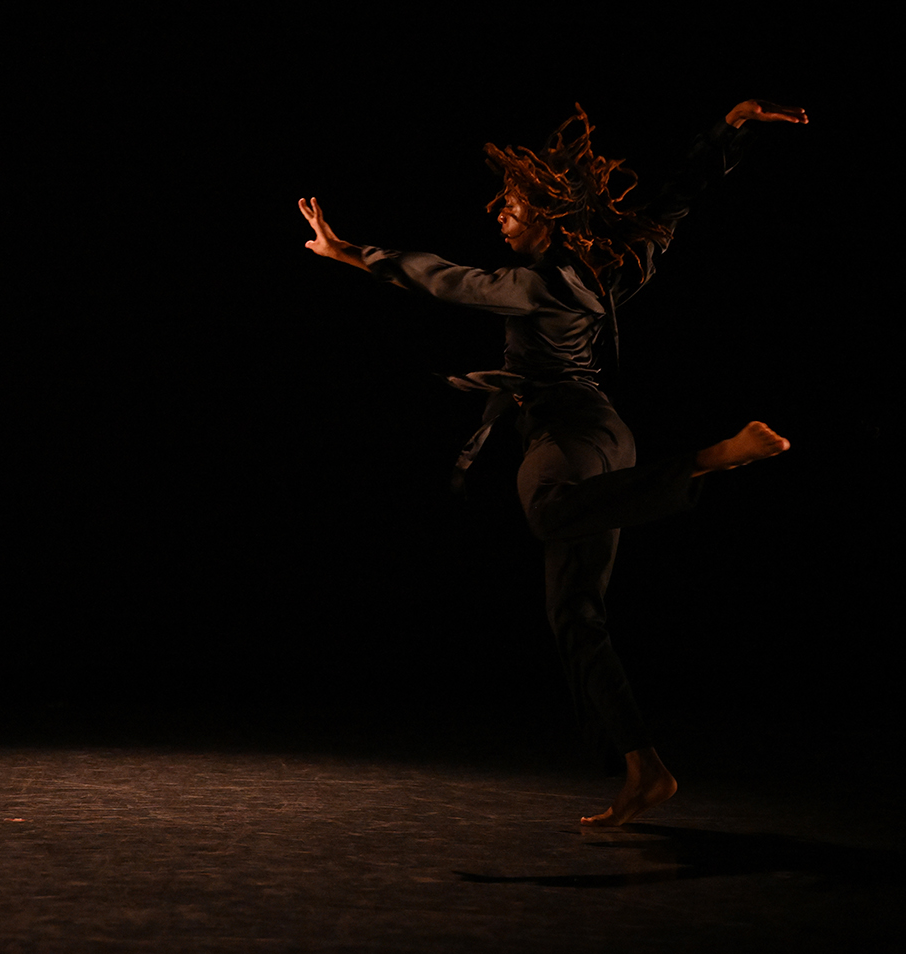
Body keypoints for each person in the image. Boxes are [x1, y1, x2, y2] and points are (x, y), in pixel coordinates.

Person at [298, 99, 805, 826]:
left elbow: (444, 279)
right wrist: (727, 132)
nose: (499, 217)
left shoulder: (533, 286)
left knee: (545, 510)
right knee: (575, 614)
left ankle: (706, 461)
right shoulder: (606, 271)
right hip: (605, 436)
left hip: (567, 434)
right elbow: (670, 206)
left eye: (510, 208)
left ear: (547, 218)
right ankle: (645, 770)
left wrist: (347, 251)